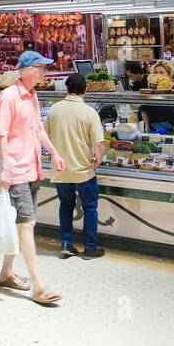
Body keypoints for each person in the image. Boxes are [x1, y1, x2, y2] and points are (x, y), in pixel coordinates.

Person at [0, 50, 66, 305]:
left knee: (19, 224)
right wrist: (4, 169)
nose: (45, 72)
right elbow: (1, 134)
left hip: (33, 168)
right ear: (28, 70)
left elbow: (38, 130)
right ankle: (39, 286)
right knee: (27, 225)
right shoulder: (9, 97)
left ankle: (6, 274)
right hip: (16, 172)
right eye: (42, 68)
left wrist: (55, 154)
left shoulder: (33, 96)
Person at [45, 73, 105, 259]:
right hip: (83, 171)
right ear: (85, 90)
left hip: (61, 169)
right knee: (89, 207)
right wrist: (98, 159)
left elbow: (44, 135)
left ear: (67, 89)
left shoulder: (55, 110)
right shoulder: (90, 112)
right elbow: (98, 144)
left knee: (65, 205)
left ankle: (66, 243)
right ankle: (89, 247)